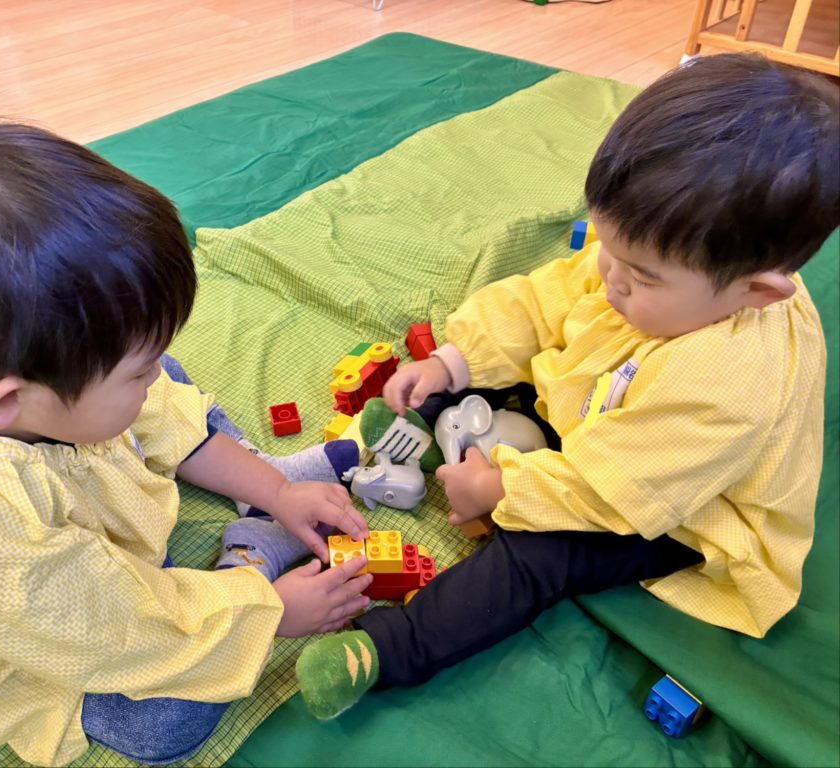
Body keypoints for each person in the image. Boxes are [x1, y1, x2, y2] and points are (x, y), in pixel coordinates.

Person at [296, 52, 838, 719]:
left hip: (671, 507)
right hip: (610, 422)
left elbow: (609, 491)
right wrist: (451, 365)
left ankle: (389, 650)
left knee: (542, 556)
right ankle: (422, 428)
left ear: (756, 290)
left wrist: (501, 490)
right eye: (608, 245)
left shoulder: (729, 383)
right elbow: (544, 299)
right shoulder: (655, 264)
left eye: (638, 275)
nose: (609, 275)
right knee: (497, 374)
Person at [0, 115, 374, 766]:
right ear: (10, 402)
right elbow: (120, 630)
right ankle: (250, 556)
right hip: (35, 648)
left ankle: (259, 486)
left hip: (73, 561)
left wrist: (280, 492)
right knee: (166, 725)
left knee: (165, 386)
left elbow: (156, 404)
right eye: (134, 370)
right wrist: (268, 611)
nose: (151, 377)